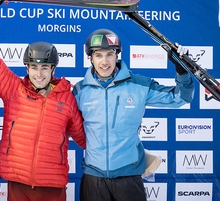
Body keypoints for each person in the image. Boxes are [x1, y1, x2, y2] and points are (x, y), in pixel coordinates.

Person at [0, 0, 86, 201]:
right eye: (34, 67)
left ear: (53, 69)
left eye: (44, 67)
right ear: (27, 68)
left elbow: (86, 139)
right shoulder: (13, 89)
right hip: (19, 183)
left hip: (52, 186)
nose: (39, 74)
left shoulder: (67, 98)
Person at [73, 28, 194, 201]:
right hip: (94, 178)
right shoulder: (79, 90)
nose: (104, 61)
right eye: (99, 55)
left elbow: (180, 98)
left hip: (128, 177)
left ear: (117, 55)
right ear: (90, 58)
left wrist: (182, 71)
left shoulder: (139, 85)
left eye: (110, 54)